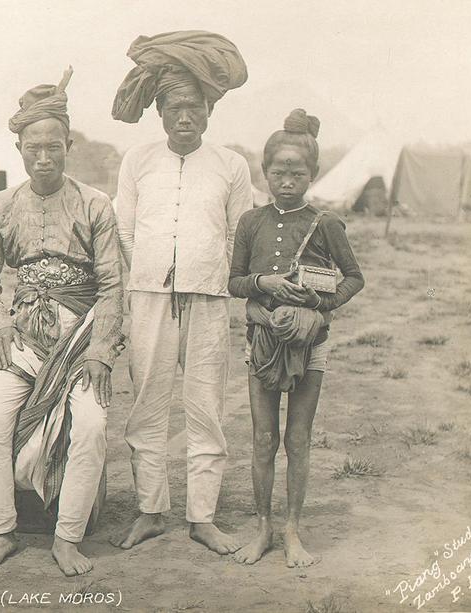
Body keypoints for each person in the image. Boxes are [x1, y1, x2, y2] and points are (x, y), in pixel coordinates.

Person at [0, 68, 125, 576]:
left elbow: (112, 284)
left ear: (68, 145)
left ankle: (68, 537)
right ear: (18, 148)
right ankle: (2, 532)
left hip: (81, 342)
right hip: (23, 339)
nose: (43, 157)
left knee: (93, 426)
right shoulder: (2, 206)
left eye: (53, 146)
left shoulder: (95, 205)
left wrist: (101, 348)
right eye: (32, 147)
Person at [110, 31, 252, 553]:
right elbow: (123, 229)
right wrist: (146, 274)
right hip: (147, 296)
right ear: (161, 113)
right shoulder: (138, 160)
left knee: (205, 406)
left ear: (209, 112)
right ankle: (150, 510)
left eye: (194, 108)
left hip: (210, 299)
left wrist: (209, 274)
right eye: (174, 108)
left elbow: (241, 233)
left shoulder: (231, 165)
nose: (184, 118)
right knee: (147, 405)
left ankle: (203, 517)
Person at [229, 110, 364, 567]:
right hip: (263, 341)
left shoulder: (325, 223)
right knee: (263, 438)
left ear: (313, 175)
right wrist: (263, 285)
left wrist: (317, 309)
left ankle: (292, 531)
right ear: (264, 172)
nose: (287, 181)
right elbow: (234, 281)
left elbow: (354, 278)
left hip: (312, 344)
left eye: (297, 173)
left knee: (298, 439)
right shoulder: (251, 222)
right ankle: (263, 527)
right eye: (278, 172)